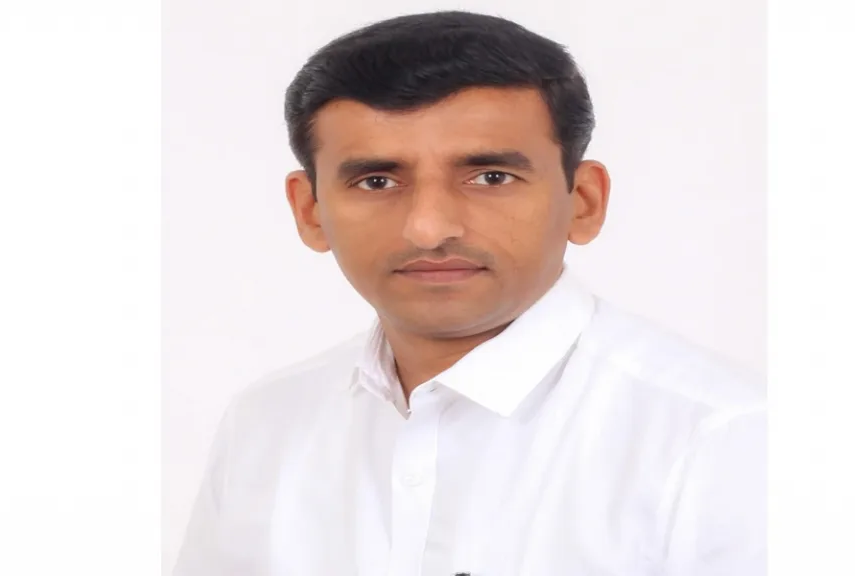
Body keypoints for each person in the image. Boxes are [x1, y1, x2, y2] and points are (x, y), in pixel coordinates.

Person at [173, 10, 766, 576]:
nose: (429, 229)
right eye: (377, 181)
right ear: (310, 210)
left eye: (490, 177)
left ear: (583, 201)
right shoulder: (265, 426)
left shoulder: (723, 437)